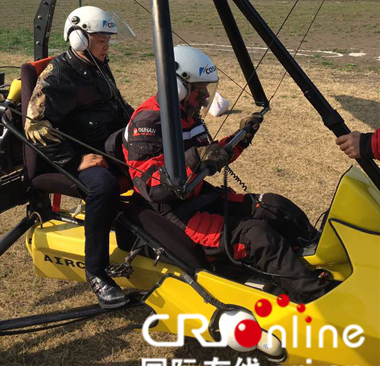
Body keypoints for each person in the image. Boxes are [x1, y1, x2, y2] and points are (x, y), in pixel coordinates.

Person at [123, 45, 332, 304]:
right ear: (177, 87)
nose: (204, 99)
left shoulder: (186, 116)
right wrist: (195, 158)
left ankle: (322, 264)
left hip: (200, 197)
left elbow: (211, 155)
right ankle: (320, 300)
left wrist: (240, 138)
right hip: (175, 214)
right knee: (257, 237)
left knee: (275, 206)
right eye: (199, 91)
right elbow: (152, 187)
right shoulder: (148, 122)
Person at [25, 6, 133, 308]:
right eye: (101, 40)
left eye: (108, 40)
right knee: (103, 188)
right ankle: (96, 273)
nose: (107, 46)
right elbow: (35, 127)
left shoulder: (97, 64)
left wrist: (144, 125)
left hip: (107, 141)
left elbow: (117, 105)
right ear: (79, 39)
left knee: (155, 156)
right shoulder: (59, 75)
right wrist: (75, 161)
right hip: (77, 153)